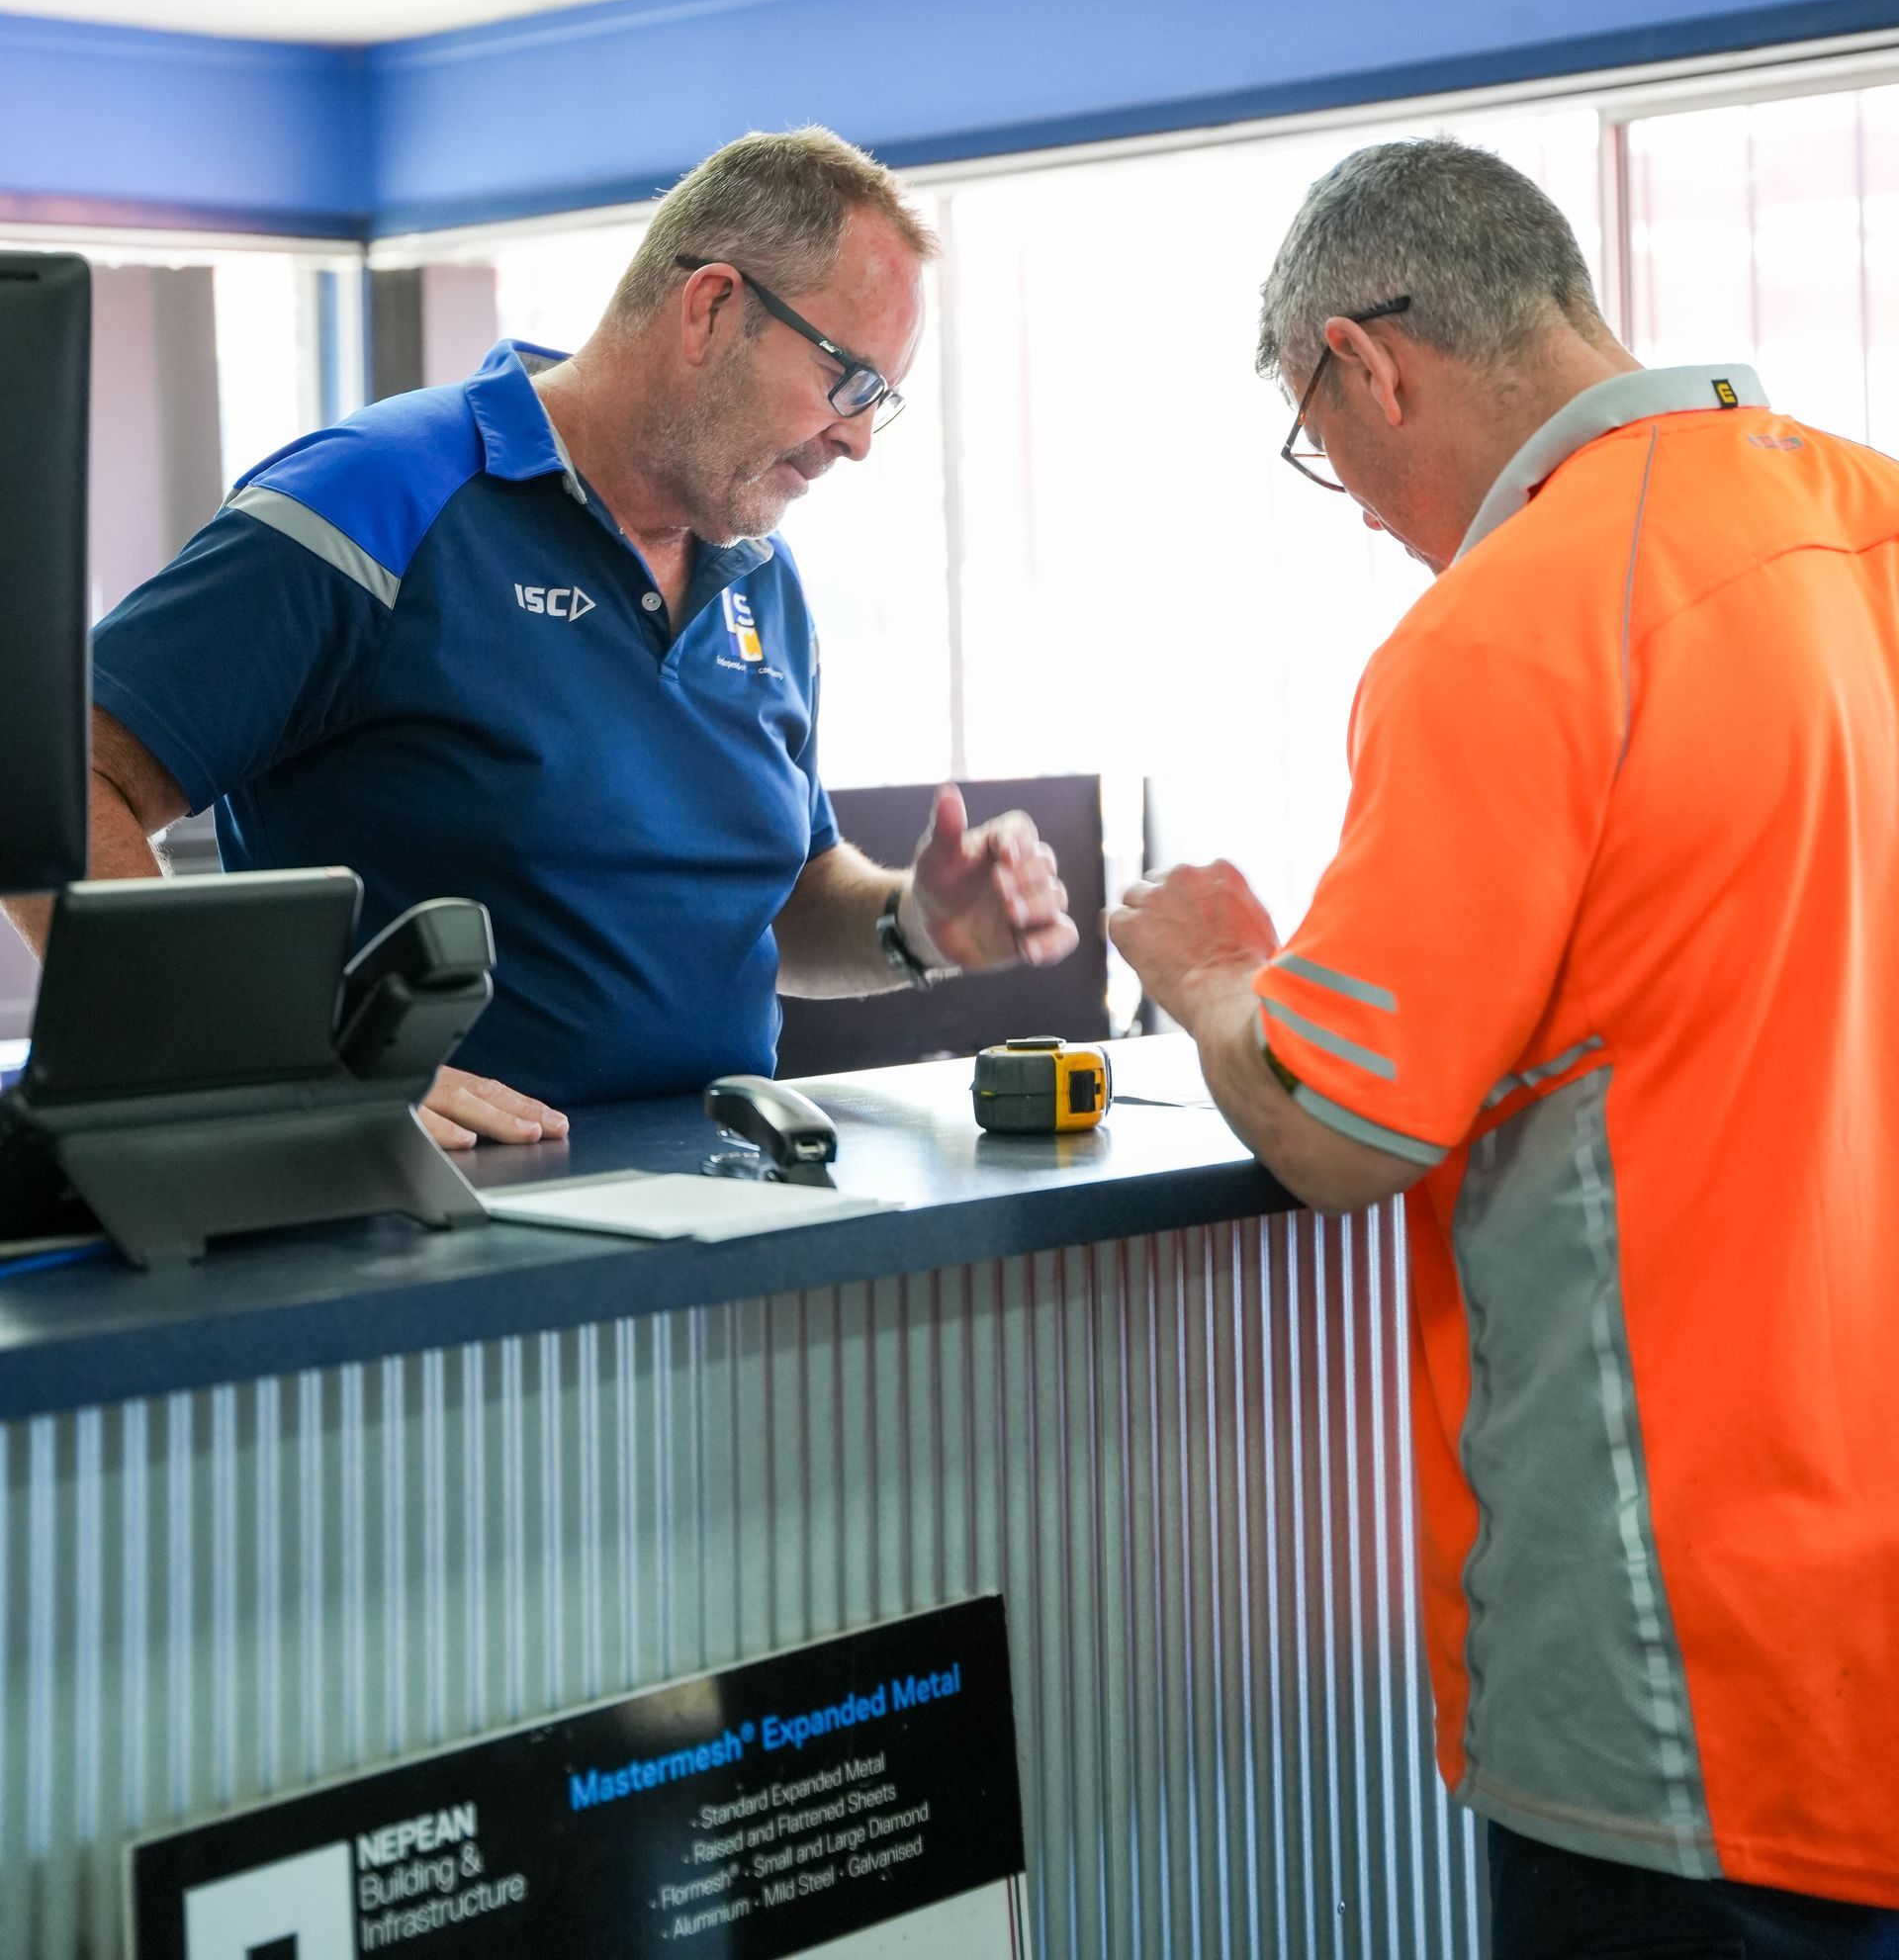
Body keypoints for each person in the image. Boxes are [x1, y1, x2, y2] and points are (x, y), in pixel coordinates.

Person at [1108, 136, 1899, 1959]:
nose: (1369, 505)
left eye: (1329, 446)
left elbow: (1337, 1125)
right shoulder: (1859, 519)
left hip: (1681, 1656)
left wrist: (1220, 971)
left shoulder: (1515, 619)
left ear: (1366, 363)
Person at [7, 128, 1076, 1148]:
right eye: (849, 382)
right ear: (710, 308)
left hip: (725, 1203)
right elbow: (52, 786)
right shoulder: (377, 496)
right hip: (428, 1225)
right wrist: (252, 1064)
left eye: (881, 402)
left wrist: (915, 924)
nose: (855, 440)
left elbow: (782, 896)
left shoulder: (762, 576)